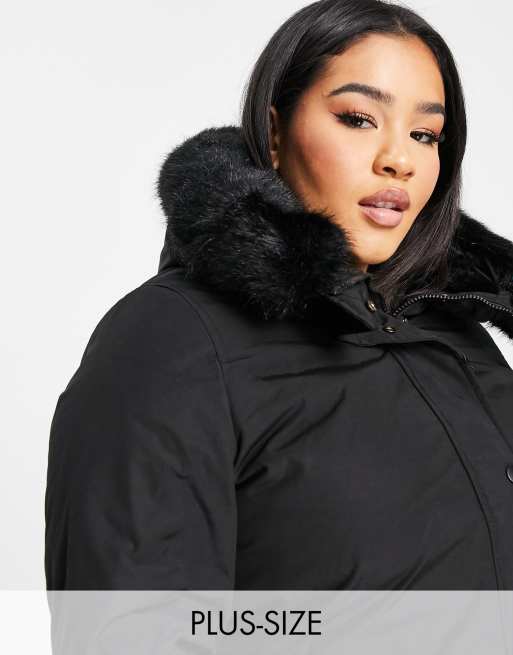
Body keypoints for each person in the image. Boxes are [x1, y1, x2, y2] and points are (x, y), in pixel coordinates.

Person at [45, 0, 513, 590]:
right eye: (358, 119)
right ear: (274, 133)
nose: (399, 160)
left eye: (425, 134)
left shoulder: (455, 330)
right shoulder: (171, 341)